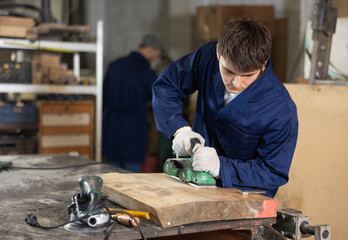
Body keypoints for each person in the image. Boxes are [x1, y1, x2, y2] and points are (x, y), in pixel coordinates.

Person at [152, 18, 298, 197]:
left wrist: (221, 167)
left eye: (247, 75)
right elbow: (167, 86)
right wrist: (179, 128)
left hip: (243, 203)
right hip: (192, 188)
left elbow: (272, 172)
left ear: (264, 63)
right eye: (228, 71)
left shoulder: (280, 110)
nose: (236, 83)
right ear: (218, 53)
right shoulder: (207, 58)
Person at [102, 34, 163, 172]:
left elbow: (104, 97)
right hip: (134, 128)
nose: (154, 59)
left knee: (111, 173)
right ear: (150, 51)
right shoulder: (146, 72)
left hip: (111, 125)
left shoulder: (114, 66)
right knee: (132, 175)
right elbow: (157, 98)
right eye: (155, 55)